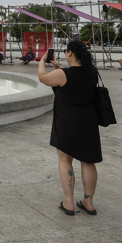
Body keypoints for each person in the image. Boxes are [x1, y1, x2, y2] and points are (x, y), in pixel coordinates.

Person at [37, 40, 102, 216]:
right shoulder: (92, 71)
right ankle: (88, 202)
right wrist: (57, 66)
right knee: (88, 160)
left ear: (70, 53)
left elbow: (43, 78)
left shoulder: (63, 74)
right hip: (88, 120)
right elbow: (73, 78)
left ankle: (68, 202)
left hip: (67, 121)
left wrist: (42, 60)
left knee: (65, 159)